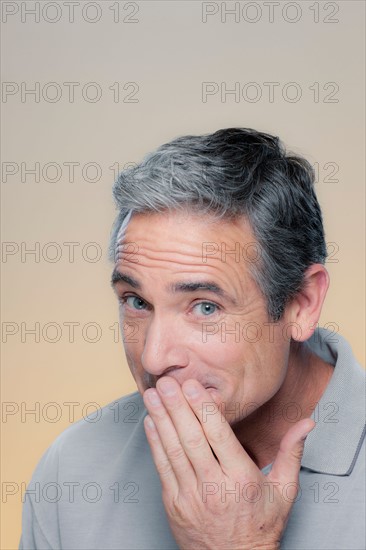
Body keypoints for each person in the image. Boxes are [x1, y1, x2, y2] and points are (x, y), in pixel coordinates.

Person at [19, 128, 365, 549]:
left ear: (302, 304)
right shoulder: (72, 471)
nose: (153, 358)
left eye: (205, 307)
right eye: (136, 301)